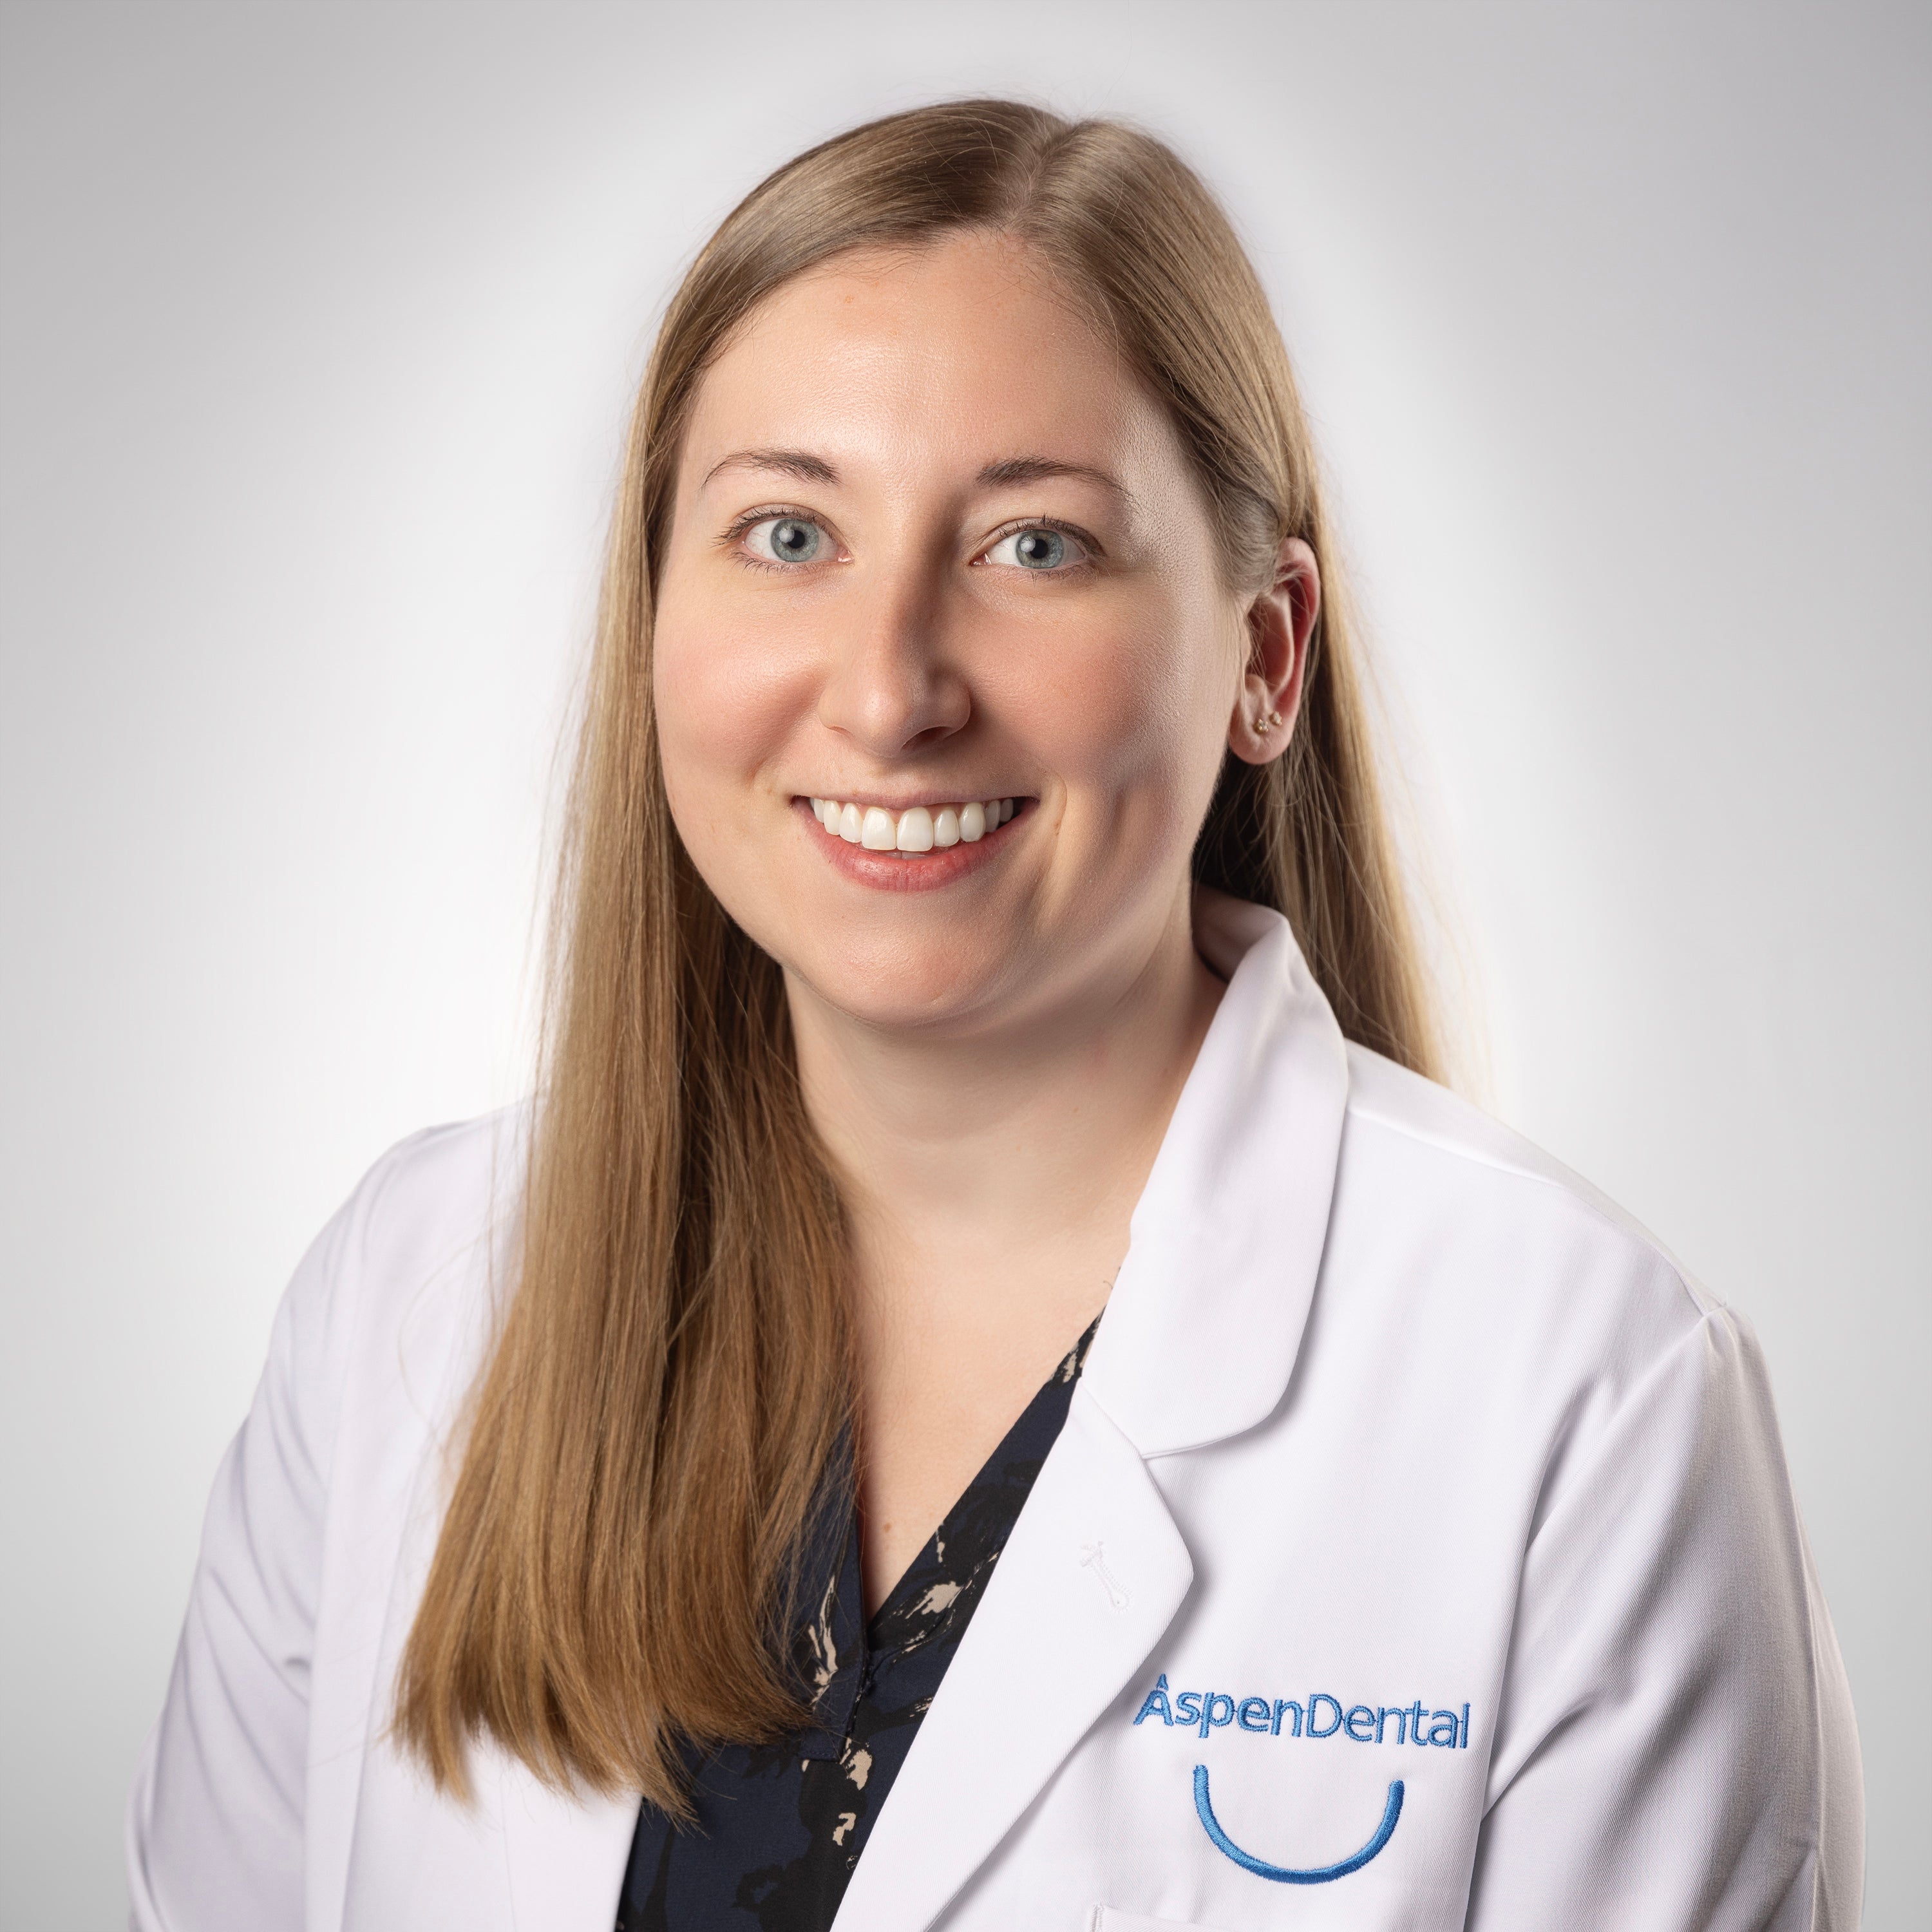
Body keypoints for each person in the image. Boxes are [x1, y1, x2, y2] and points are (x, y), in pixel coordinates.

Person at [126, 100, 1861, 1932]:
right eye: (788, 533)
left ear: (1265, 654)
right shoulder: (408, 1302)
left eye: (1034, 548)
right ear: (654, 614)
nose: (890, 694)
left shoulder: (1585, 1395)